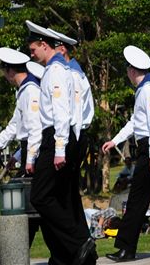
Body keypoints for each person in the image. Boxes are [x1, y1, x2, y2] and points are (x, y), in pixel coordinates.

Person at [26, 20, 96, 265]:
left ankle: (79, 241)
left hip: (56, 136)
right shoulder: (61, 70)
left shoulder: (55, 71)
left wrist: (58, 149)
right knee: (63, 197)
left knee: (40, 197)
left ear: (44, 45)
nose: (31, 54)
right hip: (62, 137)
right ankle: (70, 254)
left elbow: (61, 112)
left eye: (33, 49)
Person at [0, 49, 45, 265]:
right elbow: (15, 128)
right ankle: (7, 256)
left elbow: (36, 130)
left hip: (35, 154)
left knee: (32, 206)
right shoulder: (23, 91)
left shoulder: (30, 92)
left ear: (10, 71)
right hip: (28, 151)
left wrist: (29, 160)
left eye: (5, 72)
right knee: (31, 208)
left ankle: (7, 257)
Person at [102, 45, 150, 262]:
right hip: (148, 149)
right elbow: (135, 123)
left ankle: (126, 248)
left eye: (127, 69)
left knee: (137, 200)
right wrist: (115, 140)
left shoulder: (148, 91)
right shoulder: (144, 90)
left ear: (132, 70)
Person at [50, 29, 95, 220]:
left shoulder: (74, 74)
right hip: (73, 135)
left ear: (61, 49)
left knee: (67, 192)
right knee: (67, 192)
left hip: (75, 134)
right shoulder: (68, 71)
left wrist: (70, 143)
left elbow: (75, 111)